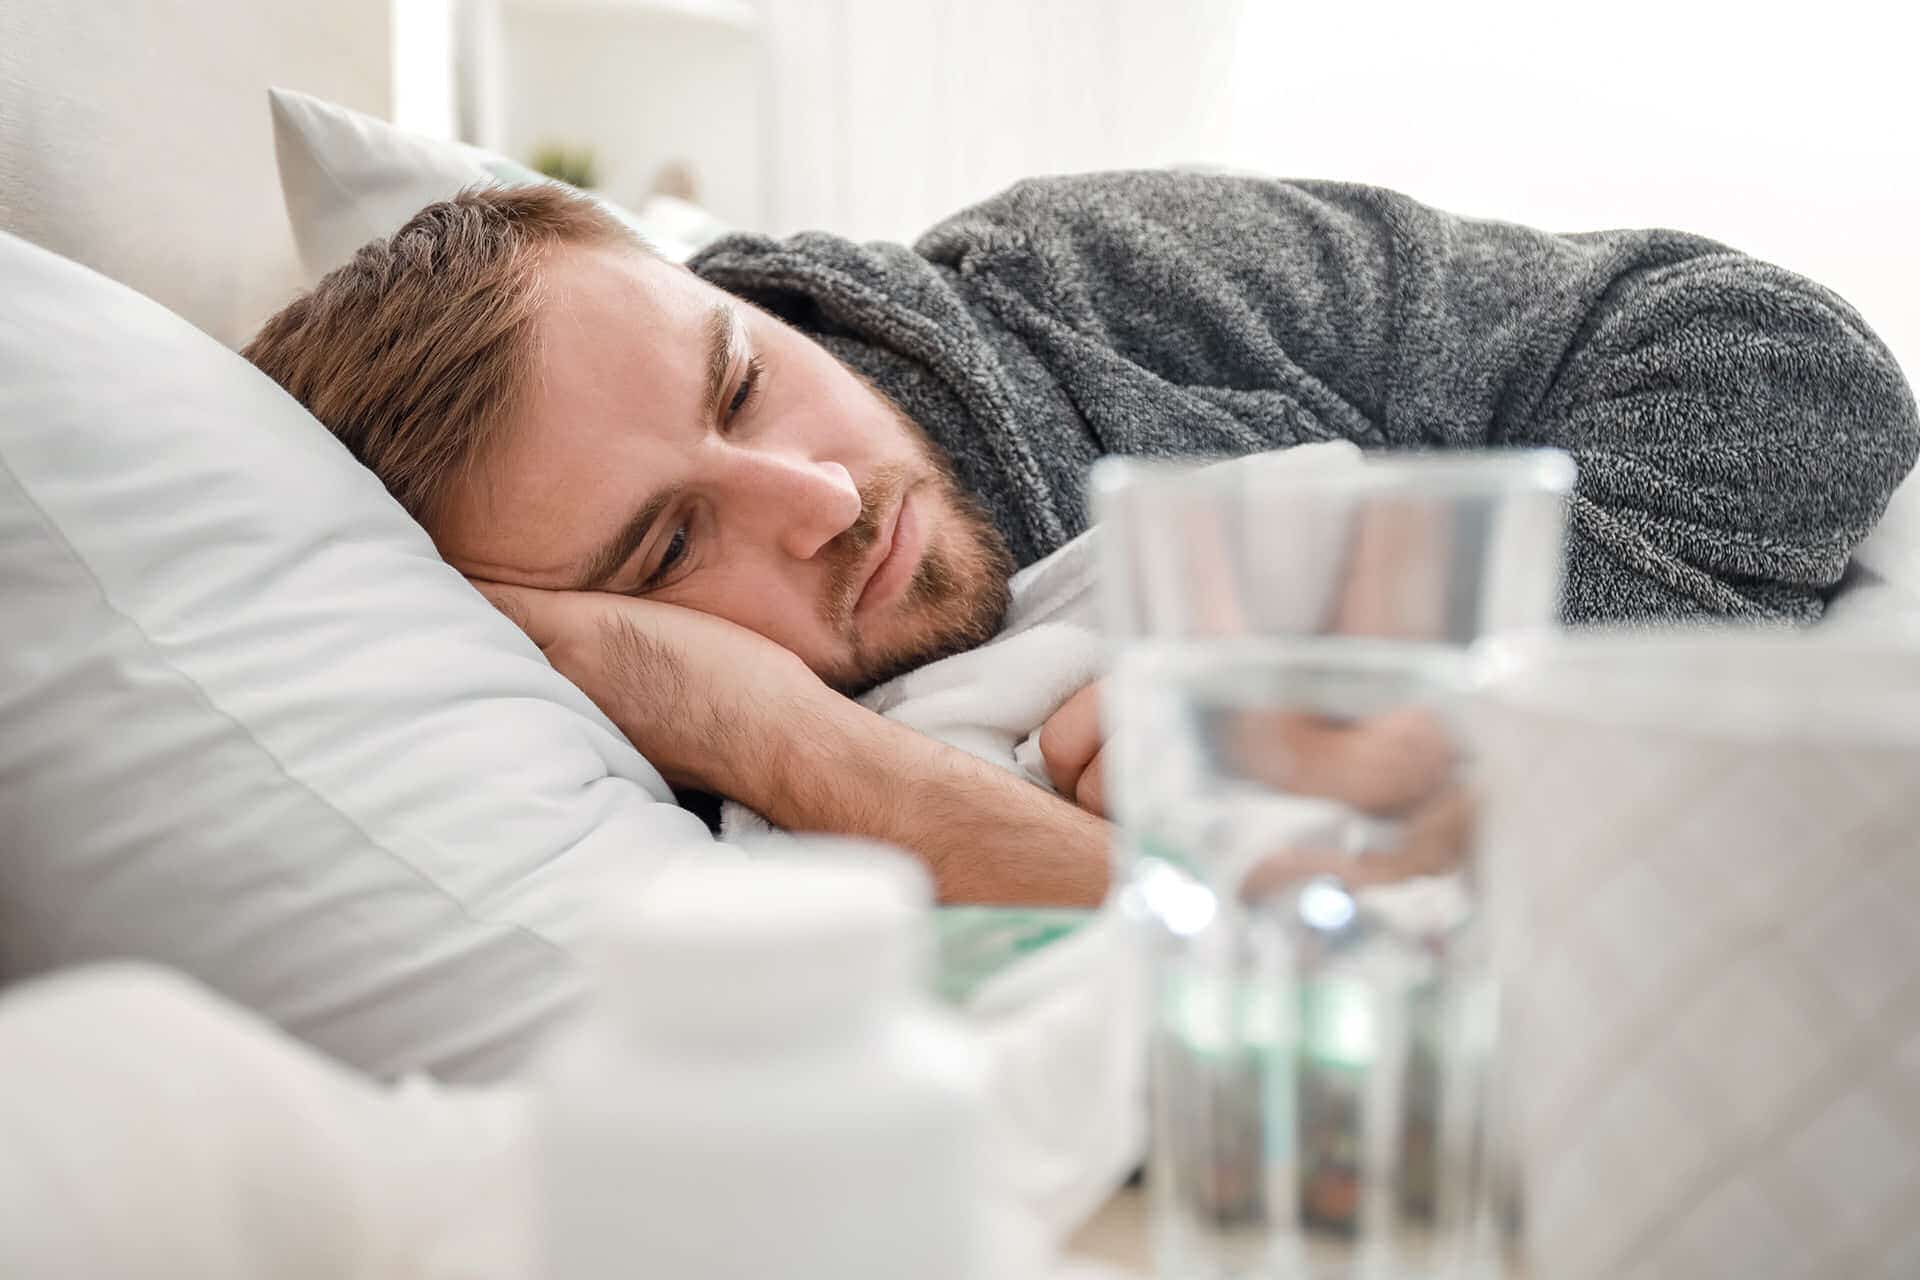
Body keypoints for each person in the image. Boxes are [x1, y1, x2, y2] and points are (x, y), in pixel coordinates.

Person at [242, 174, 1920, 905]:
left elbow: (1774, 366)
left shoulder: (1099, 276)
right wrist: (771, 733)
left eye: (745, 381)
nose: (818, 501)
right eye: (669, 551)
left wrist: (1375, 684)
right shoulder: (624, 773)